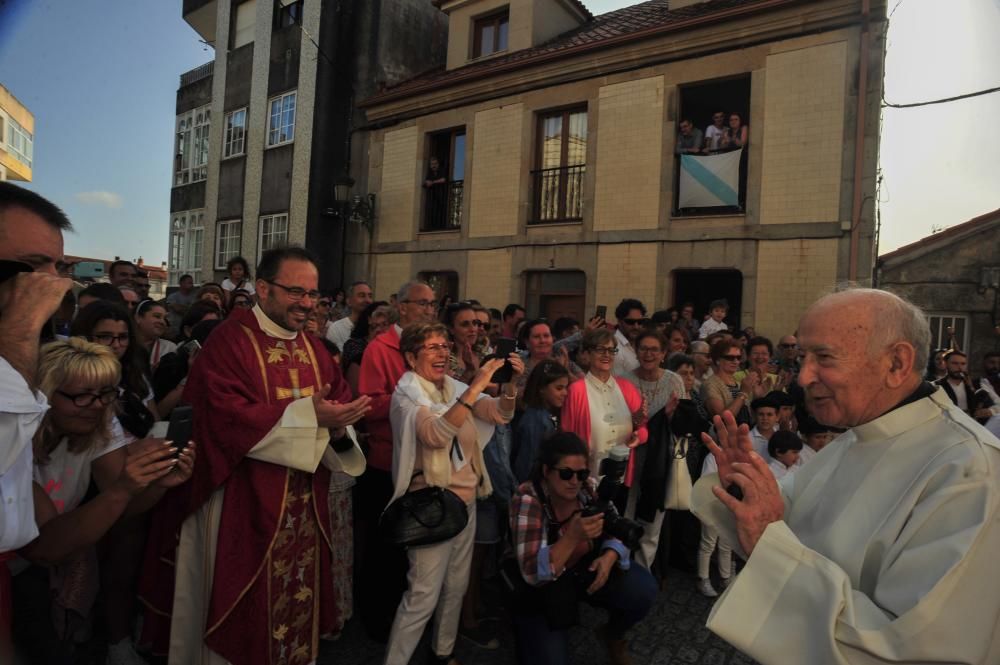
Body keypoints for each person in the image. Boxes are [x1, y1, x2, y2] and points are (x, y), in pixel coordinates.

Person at [692, 288, 1000, 664]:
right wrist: (743, 487)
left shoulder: (971, 471)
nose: (803, 376)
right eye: (803, 357)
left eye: (824, 357)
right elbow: (784, 519)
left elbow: (910, 649)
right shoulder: (855, 435)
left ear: (896, 363)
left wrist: (768, 541)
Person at [140, 247, 371, 665]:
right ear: (263, 289)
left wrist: (339, 427)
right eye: (295, 291)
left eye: (313, 294)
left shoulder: (316, 350)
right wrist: (309, 416)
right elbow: (224, 417)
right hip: (240, 500)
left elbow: (338, 405)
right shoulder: (230, 340)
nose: (306, 303)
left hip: (303, 504)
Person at [12, 339, 194, 665]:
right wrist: (123, 489)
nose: (96, 405)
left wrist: (157, 485)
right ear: (45, 395)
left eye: (106, 394)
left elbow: (122, 509)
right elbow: (43, 547)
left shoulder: (97, 420)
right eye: (80, 395)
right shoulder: (13, 439)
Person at [383, 323, 521, 665]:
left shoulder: (454, 388)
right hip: (430, 505)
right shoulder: (407, 396)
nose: (442, 352)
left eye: (444, 346)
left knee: (456, 586)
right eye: (431, 347)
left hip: (466, 500)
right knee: (422, 595)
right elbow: (436, 435)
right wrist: (475, 387)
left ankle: (442, 653)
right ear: (411, 358)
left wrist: (510, 383)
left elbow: (501, 414)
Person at [0, 182, 75, 649]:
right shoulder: (17, 335)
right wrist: (22, 326)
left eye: (59, 268)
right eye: (30, 268)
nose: (53, 285)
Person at [508, 432, 657, 665]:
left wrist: (609, 557)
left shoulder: (587, 489)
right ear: (546, 472)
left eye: (582, 473)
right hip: (541, 589)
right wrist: (572, 537)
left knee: (643, 590)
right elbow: (532, 573)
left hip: (580, 570)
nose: (575, 481)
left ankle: (612, 635)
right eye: (566, 473)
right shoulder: (528, 499)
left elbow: (613, 523)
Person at [356, 279, 437, 640]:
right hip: (388, 460)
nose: (429, 310)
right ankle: (377, 622)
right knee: (384, 550)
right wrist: (414, 402)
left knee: (416, 549)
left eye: (433, 304)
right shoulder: (379, 348)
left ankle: (415, 618)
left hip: (425, 457)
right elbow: (369, 406)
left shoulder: (434, 345)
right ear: (401, 307)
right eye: (422, 303)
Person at [624, 330, 685, 570]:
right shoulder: (625, 379)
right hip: (630, 456)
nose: (648, 354)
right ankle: (620, 566)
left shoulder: (674, 381)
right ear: (637, 351)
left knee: (653, 519)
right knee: (626, 512)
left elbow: (683, 423)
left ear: (663, 354)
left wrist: (670, 417)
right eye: (644, 348)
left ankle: (643, 570)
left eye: (654, 349)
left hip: (660, 459)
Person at [561, 328, 648, 493]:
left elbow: (643, 429)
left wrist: (637, 435)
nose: (606, 354)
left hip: (620, 478)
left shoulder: (627, 388)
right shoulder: (576, 391)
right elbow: (567, 437)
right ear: (587, 354)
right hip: (588, 480)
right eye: (600, 349)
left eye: (611, 350)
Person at [513, 360, 570, 482]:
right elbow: (526, 463)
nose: (565, 393)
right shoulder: (536, 420)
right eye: (559, 388)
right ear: (541, 388)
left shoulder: (547, 414)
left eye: (566, 387)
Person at [701, 339, 761, 426]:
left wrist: (757, 397)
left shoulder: (739, 383)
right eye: (730, 358)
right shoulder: (710, 384)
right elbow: (723, 419)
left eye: (738, 357)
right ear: (717, 360)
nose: (736, 361)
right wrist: (743, 393)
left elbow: (749, 418)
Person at [342, 301, 391, 394]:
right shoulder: (356, 348)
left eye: (385, 324)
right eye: (376, 325)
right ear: (370, 320)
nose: (380, 329)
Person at [327, 280, 374, 350]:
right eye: (362, 296)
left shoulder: (376, 327)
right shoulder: (336, 329)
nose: (368, 300)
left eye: (370, 296)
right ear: (349, 301)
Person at [134, 299, 177, 369]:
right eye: (157, 316)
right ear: (138, 318)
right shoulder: (123, 344)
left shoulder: (170, 348)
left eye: (165, 318)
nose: (162, 322)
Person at [612, 298, 647, 376]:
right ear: (619, 321)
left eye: (640, 322)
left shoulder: (642, 344)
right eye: (630, 322)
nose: (636, 326)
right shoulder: (613, 346)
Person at [934, 349, 974, 415]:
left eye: (963, 364)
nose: (960, 367)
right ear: (945, 364)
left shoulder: (975, 383)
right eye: (955, 363)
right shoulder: (937, 386)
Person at [165, 274, 196, 339]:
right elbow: (177, 309)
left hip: (187, 331)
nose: (192, 285)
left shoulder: (194, 297)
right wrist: (189, 309)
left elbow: (194, 311)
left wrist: (182, 308)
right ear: (182, 283)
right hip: (174, 331)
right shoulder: (173, 296)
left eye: (192, 283)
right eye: (190, 283)